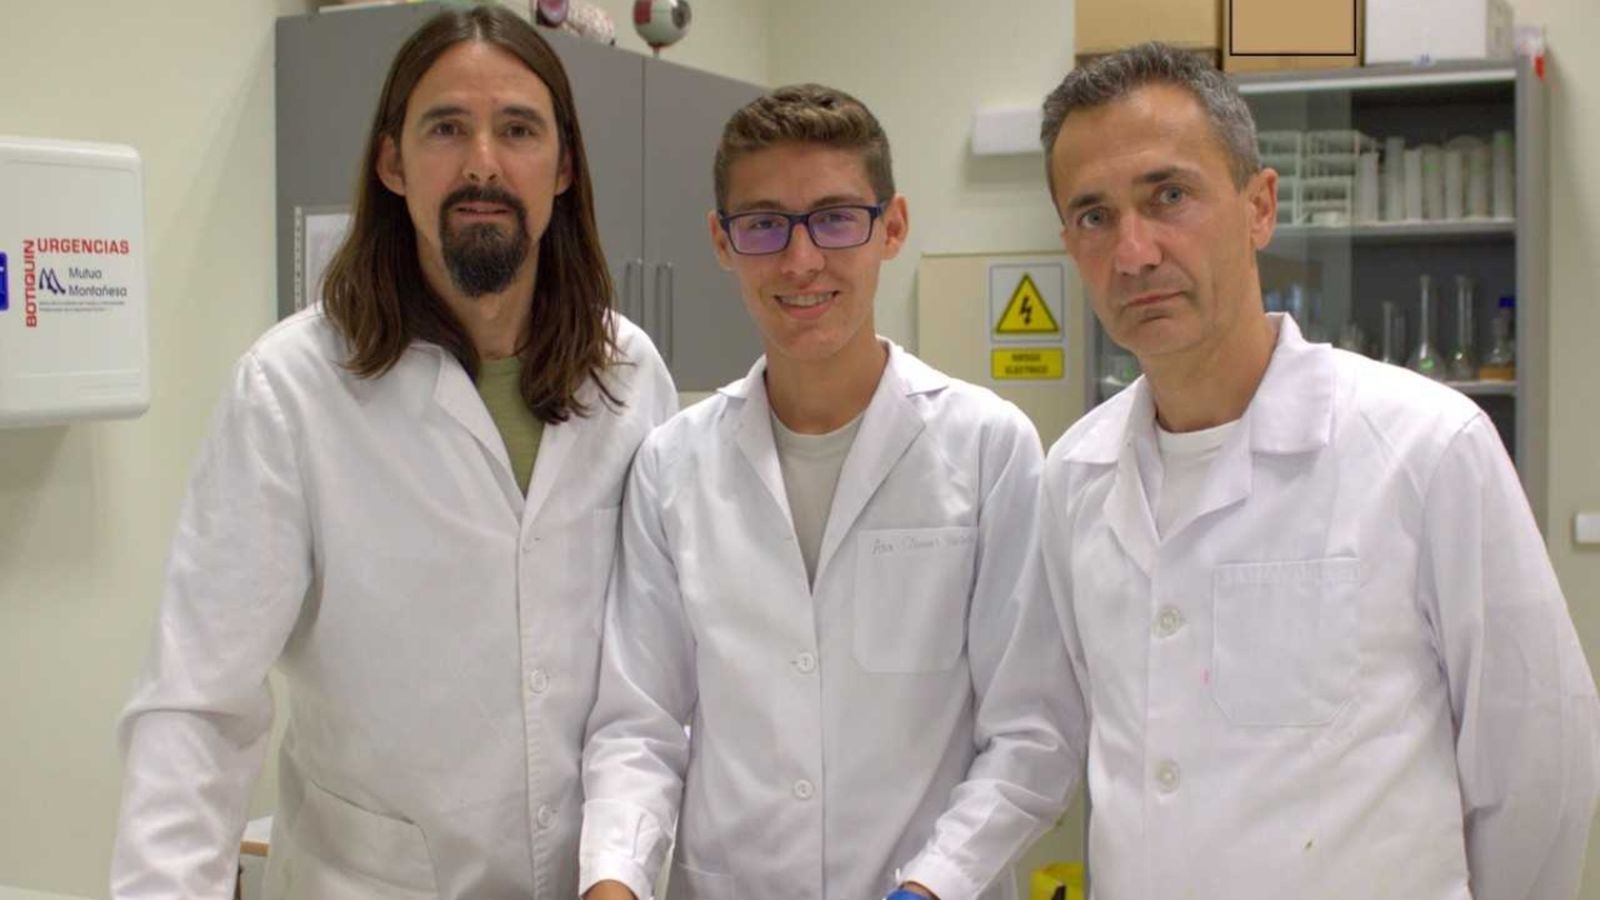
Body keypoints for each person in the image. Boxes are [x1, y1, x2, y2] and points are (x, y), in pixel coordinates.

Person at [110, 7, 675, 898]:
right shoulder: (292, 390)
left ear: (563, 167)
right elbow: (199, 706)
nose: (483, 161)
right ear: (392, 162)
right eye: (446, 127)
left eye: (518, 129)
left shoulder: (629, 375)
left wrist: (623, 869)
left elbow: (649, 679)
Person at [1037, 42, 1600, 899]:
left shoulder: (1426, 447)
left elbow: (1538, 764)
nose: (1134, 252)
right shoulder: (1073, 477)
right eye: (1093, 216)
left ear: (1259, 206)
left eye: (1170, 195)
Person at [578, 84, 1079, 900]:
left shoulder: (986, 448)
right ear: (722, 241)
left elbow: (1033, 733)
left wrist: (928, 888)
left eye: (837, 218)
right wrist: (614, 880)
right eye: (765, 224)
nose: (801, 259)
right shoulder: (672, 467)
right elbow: (639, 726)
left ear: (894, 228)